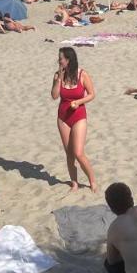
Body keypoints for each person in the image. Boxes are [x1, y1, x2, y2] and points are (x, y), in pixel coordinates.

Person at [52, 47, 98, 192]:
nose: (59, 61)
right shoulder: (59, 75)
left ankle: (92, 181)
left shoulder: (82, 74)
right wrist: (58, 80)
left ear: (68, 60)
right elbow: (54, 96)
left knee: (78, 152)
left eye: (61, 59)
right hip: (63, 117)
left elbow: (92, 94)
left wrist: (78, 102)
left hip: (78, 115)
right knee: (69, 153)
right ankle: (74, 183)